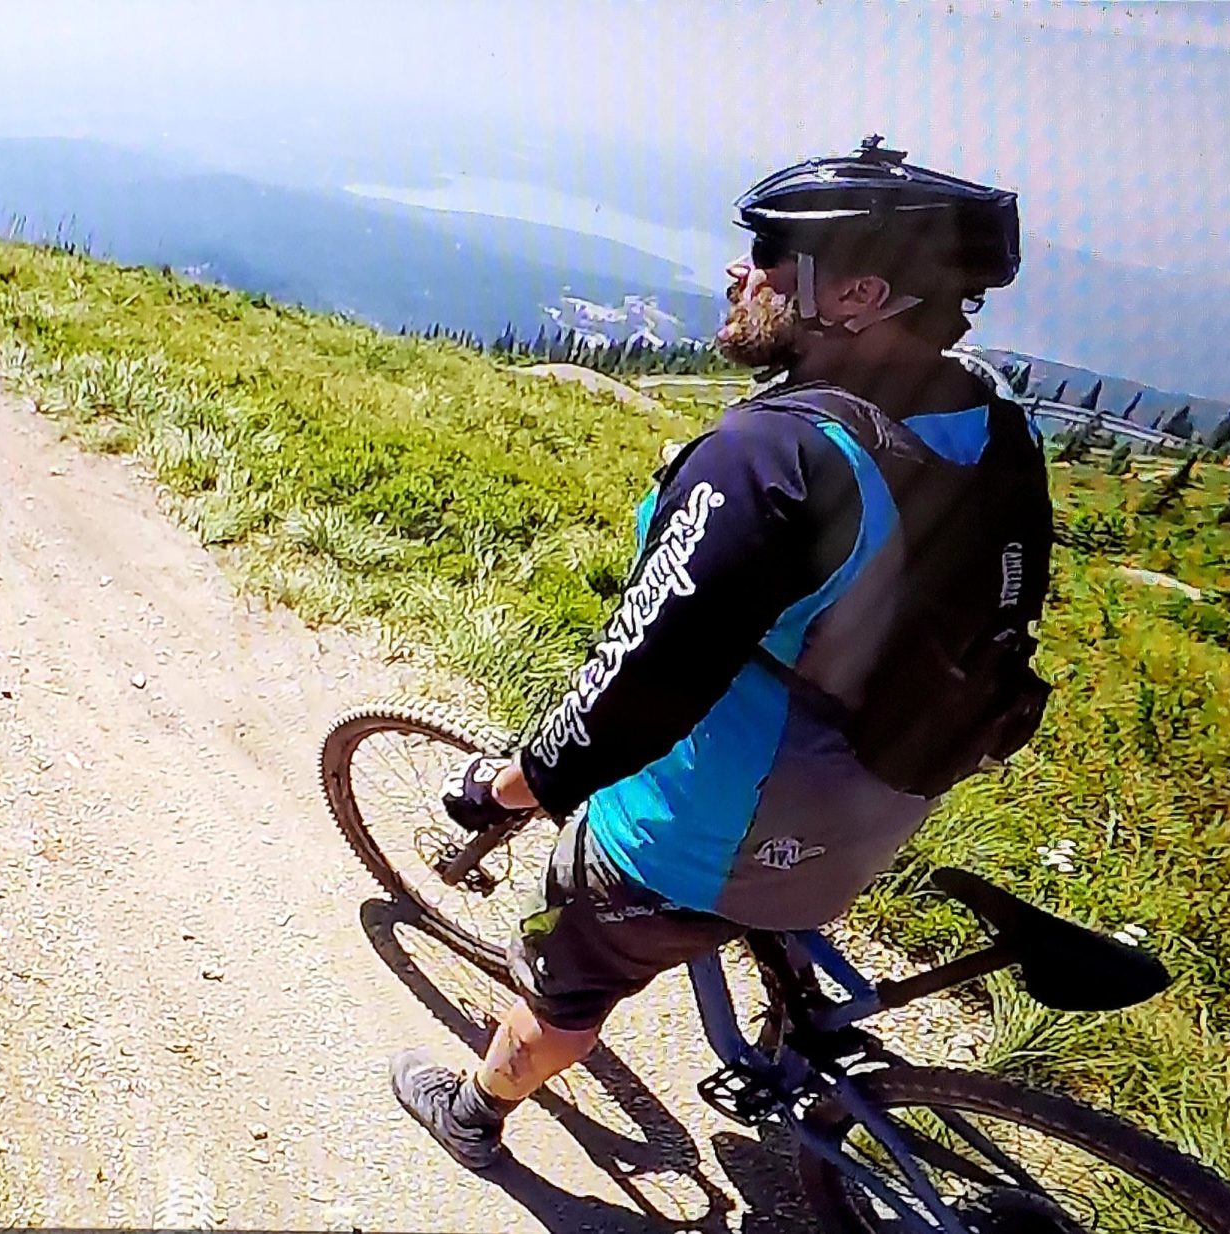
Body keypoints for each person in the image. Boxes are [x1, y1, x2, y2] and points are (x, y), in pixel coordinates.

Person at [390, 136, 1055, 1170]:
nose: (737, 272)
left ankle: (476, 1108)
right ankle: (790, 1029)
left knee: (565, 977)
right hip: (879, 803)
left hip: (699, 835)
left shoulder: (768, 461)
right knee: (759, 892)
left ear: (859, 293)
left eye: (767, 255)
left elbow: (632, 689)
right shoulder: (995, 429)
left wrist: (511, 788)